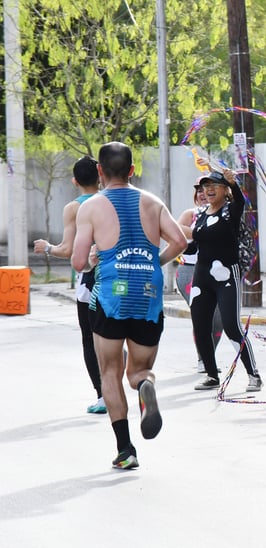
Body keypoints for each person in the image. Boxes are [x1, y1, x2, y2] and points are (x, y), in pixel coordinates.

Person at [72, 141, 188, 469]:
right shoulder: (152, 202)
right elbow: (180, 241)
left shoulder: (91, 206)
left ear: (99, 171)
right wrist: (154, 261)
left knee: (110, 371)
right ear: (133, 170)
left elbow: (80, 262)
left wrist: (96, 257)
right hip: (148, 295)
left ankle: (126, 450)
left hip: (109, 298)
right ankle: (145, 385)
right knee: (138, 370)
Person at [33, 155, 105, 414]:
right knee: (112, 334)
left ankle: (102, 395)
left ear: (74, 180)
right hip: (118, 276)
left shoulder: (74, 208)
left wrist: (48, 248)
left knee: (90, 339)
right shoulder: (111, 199)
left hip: (91, 280)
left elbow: (69, 250)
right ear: (100, 175)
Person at [191, 168, 263, 392]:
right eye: (205, 186)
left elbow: (240, 201)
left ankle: (254, 374)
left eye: (214, 185)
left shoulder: (231, 211)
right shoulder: (201, 214)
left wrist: (234, 184)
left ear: (225, 190)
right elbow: (194, 243)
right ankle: (212, 375)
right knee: (200, 326)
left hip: (226, 276)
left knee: (232, 326)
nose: (209, 189)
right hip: (201, 276)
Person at [176, 179, 224, 375]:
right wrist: (200, 234)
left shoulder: (223, 213)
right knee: (202, 316)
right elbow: (175, 231)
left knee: (219, 318)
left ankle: (209, 354)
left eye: (208, 189)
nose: (203, 193)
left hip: (216, 271)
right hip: (189, 271)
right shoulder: (190, 214)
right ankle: (203, 359)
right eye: (199, 190)